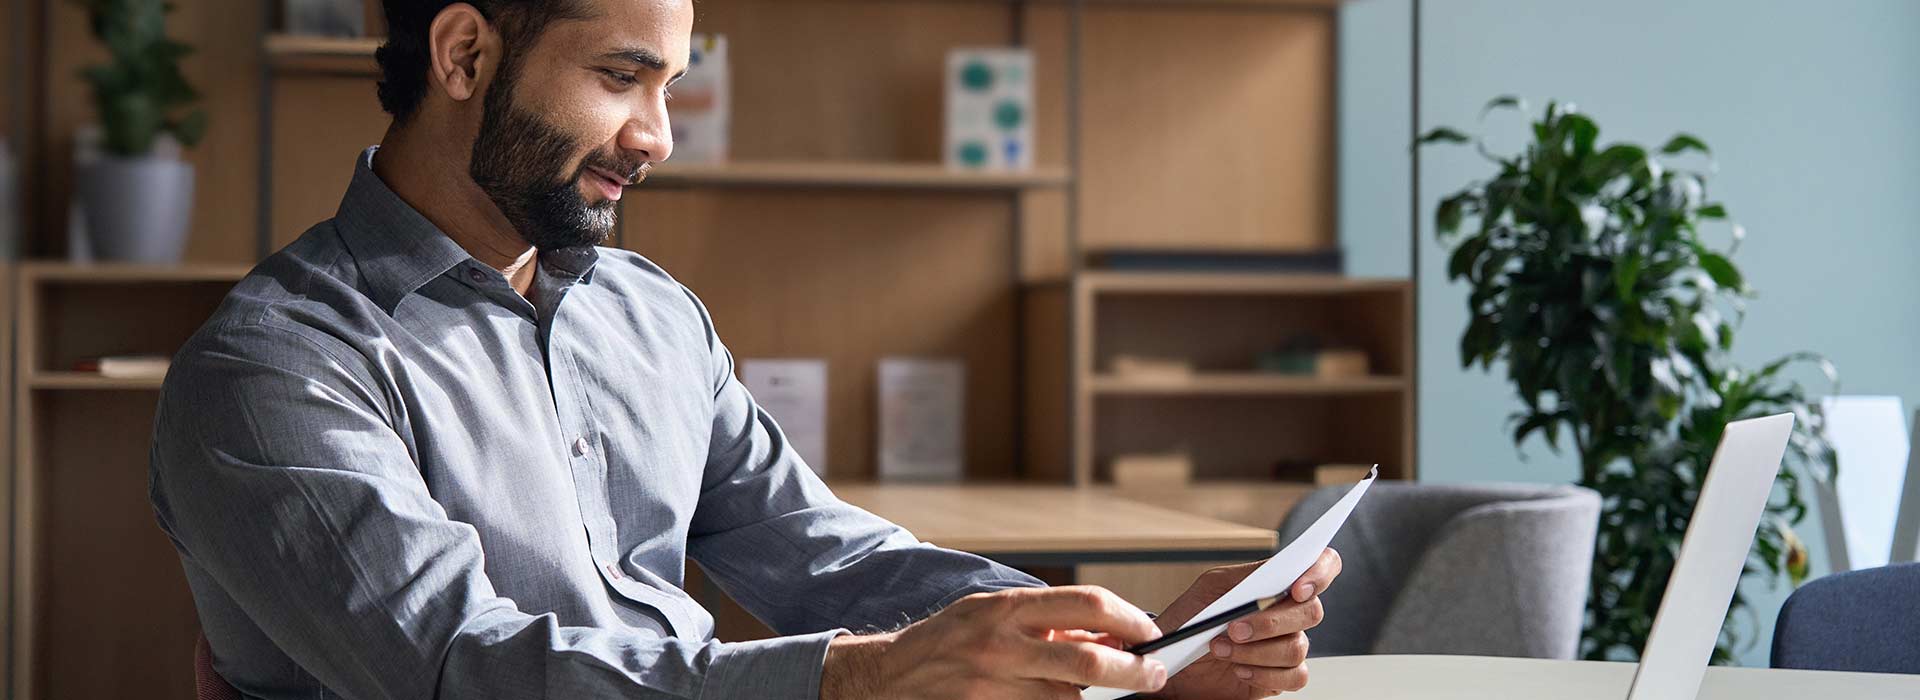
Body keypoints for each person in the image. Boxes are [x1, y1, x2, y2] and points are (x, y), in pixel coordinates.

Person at [148, 1, 1341, 697]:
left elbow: (821, 552)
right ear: (464, 56)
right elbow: (464, 667)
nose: (658, 135)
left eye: (670, 85)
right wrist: (855, 679)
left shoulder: (650, 313)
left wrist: (1107, 641)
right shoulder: (272, 372)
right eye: (622, 77)